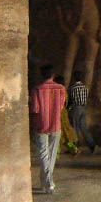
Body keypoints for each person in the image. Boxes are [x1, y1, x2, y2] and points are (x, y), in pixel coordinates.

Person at [30, 64, 66, 194]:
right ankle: (46, 182)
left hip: (41, 125)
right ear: (53, 75)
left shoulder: (37, 90)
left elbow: (35, 109)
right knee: (51, 155)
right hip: (55, 124)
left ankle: (47, 182)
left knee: (43, 154)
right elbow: (61, 107)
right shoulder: (61, 89)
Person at [67, 71, 95, 154]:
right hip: (84, 107)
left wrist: (68, 108)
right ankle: (91, 144)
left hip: (76, 107)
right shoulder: (85, 87)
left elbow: (71, 100)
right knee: (83, 127)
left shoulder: (73, 88)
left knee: (75, 127)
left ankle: (75, 146)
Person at [54, 75, 80, 157]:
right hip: (63, 113)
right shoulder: (64, 90)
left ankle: (56, 154)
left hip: (58, 113)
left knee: (58, 134)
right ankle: (74, 149)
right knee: (63, 134)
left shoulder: (58, 90)